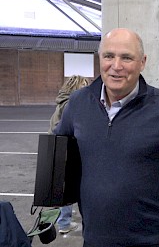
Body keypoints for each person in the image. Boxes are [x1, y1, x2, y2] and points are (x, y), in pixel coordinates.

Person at [53, 28, 159, 247]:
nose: (116, 66)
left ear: (142, 62)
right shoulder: (78, 103)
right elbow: (58, 149)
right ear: (100, 58)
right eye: (109, 56)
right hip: (93, 241)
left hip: (149, 243)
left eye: (127, 58)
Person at [48, 75, 89, 234]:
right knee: (71, 186)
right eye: (83, 85)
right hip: (66, 151)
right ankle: (64, 223)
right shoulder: (71, 105)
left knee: (67, 187)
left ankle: (64, 219)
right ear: (76, 87)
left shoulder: (62, 102)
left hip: (59, 150)